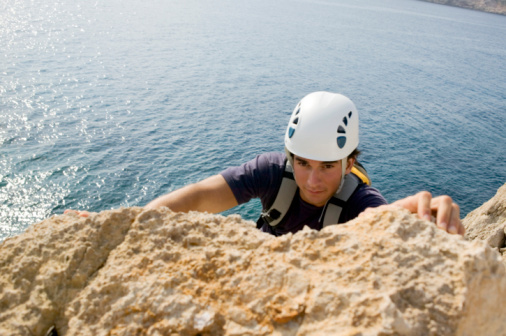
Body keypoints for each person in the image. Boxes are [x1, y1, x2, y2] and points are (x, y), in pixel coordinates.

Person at [66, 92, 464, 235]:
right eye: (303, 163)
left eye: (328, 166)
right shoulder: (273, 171)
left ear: (350, 161)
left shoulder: (358, 199)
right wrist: (122, 223)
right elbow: (198, 197)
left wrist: (418, 213)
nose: (311, 179)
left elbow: (383, 217)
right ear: (290, 156)